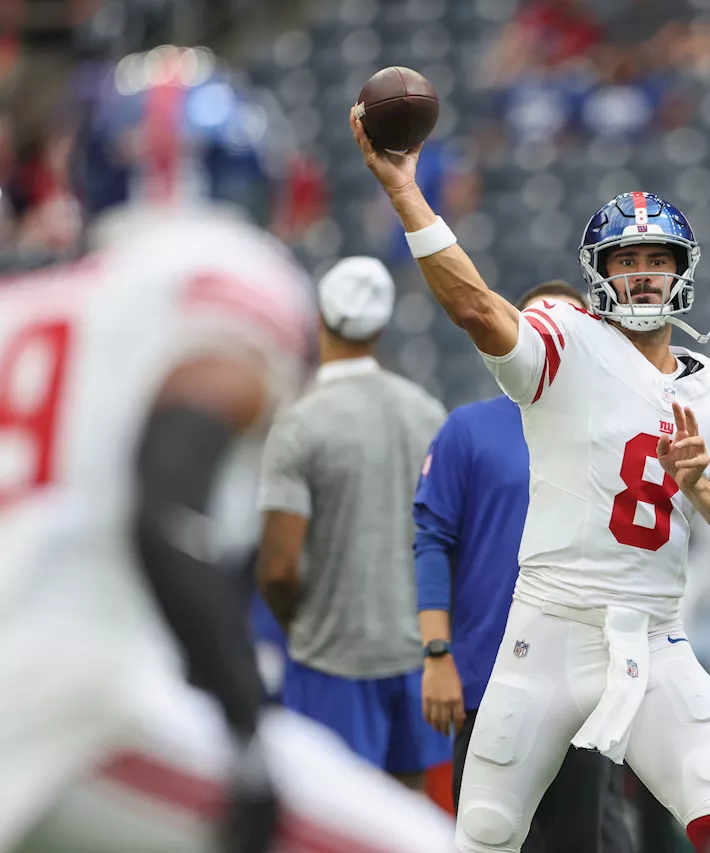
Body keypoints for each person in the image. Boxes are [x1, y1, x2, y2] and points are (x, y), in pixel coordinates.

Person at [0, 45, 455, 852]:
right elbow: (165, 503)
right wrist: (245, 727)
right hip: (66, 704)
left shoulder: (28, 301)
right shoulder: (226, 270)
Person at [352, 102, 710, 853]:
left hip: (653, 639)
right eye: (627, 259)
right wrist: (405, 191)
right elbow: (474, 306)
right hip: (547, 631)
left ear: (681, 270)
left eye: (656, 259)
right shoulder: (567, 345)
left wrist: (702, 489)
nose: (644, 275)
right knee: (484, 834)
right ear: (600, 273)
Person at [415, 278, 634, 851]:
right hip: (487, 682)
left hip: (582, 686)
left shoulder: (614, 433)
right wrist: (437, 654)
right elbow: (432, 540)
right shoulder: (468, 429)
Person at [257, 255, 450, 792]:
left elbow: (276, 568)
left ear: (320, 320)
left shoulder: (300, 423)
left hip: (329, 662)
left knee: (331, 814)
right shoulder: (427, 411)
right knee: (403, 815)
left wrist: (306, 625)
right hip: (414, 655)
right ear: (382, 326)